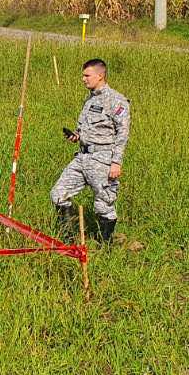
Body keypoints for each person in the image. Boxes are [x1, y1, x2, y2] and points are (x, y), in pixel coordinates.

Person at [50, 58, 130, 244]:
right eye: (83, 75)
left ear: (100, 76)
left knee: (104, 204)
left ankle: (105, 245)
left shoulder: (116, 100)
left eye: (87, 75)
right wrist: (76, 136)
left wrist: (116, 162)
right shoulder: (90, 99)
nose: (83, 79)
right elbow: (91, 128)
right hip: (83, 157)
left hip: (102, 160)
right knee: (58, 194)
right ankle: (68, 240)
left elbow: (122, 133)